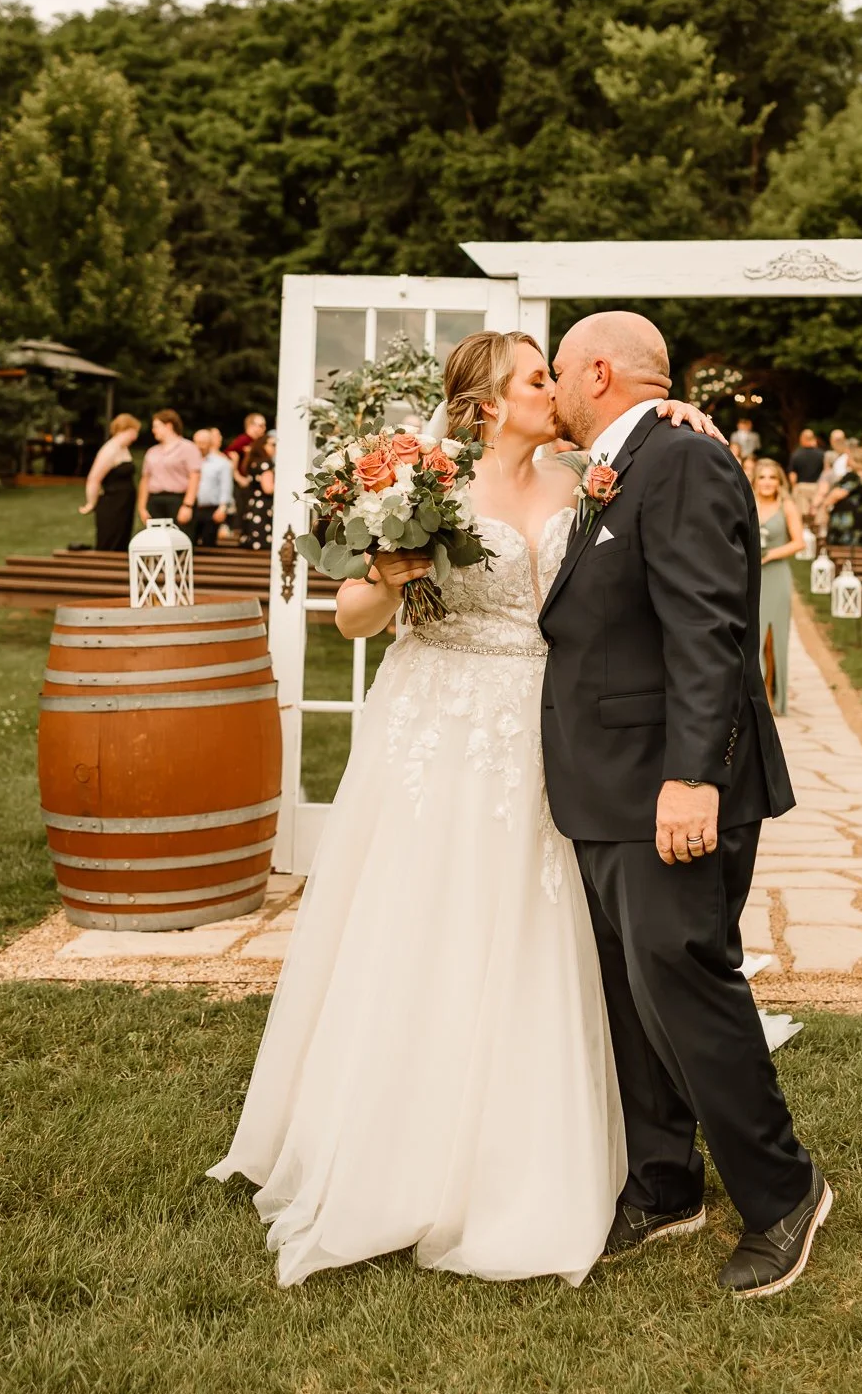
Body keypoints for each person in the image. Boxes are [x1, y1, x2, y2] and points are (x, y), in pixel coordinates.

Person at [209, 334, 724, 1288]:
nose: (556, 391)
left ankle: (563, 1146)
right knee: (428, 922)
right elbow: (351, 616)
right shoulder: (423, 484)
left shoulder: (589, 475)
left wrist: (677, 413)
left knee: (548, 926)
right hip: (441, 719)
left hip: (552, 723)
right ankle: (406, 1146)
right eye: (538, 378)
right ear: (487, 402)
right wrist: (394, 578)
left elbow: (648, 465)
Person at [544, 311, 828, 1299]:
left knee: (686, 980)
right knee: (633, 991)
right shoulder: (624, 460)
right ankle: (664, 1182)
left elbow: (711, 628)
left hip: (667, 782)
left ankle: (783, 1190)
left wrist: (692, 775)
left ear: (598, 370)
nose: (552, 392)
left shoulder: (683, 461)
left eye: (557, 375)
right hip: (605, 784)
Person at [751, 460, 804, 715]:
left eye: (772, 477)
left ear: (779, 481)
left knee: (774, 638)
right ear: (755, 481)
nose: (767, 482)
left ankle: (773, 695)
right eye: (763, 477)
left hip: (777, 574)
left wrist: (770, 554)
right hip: (753, 576)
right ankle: (755, 695)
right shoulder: (748, 502)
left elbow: (799, 542)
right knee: (754, 635)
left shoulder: (787, 506)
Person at [79, 414, 139, 550]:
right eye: (135, 431)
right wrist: (91, 503)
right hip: (113, 504)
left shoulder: (123, 448)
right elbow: (94, 479)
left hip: (124, 504)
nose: (136, 436)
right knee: (111, 539)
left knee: (122, 539)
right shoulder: (110, 449)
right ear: (127, 429)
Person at [137, 410, 202, 535]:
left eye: (156, 426)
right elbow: (145, 479)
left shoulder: (188, 448)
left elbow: (194, 477)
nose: (153, 430)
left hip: (178, 500)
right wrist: (142, 508)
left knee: (180, 540)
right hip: (155, 500)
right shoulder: (152, 451)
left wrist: (187, 505)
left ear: (168, 426)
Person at [825, 444, 862, 549]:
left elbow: (838, 494)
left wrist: (826, 503)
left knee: (842, 552)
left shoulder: (853, 476)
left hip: (846, 521)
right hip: (860, 519)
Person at [193, 427, 235, 547]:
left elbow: (226, 487)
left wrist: (222, 508)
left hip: (211, 508)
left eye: (203, 443)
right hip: (192, 507)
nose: (200, 446)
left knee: (208, 544)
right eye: (197, 443)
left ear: (210, 444)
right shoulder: (189, 461)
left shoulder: (222, 463)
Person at [237, 434, 276, 549]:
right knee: (262, 545)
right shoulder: (265, 464)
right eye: (273, 445)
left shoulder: (252, 462)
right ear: (262, 446)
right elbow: (268, 488)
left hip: (252, 507)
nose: (275, 448)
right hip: (263, 509)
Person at [787, 429, 824, 517]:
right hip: (817, 488)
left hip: (802, 488)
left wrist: (794, 487)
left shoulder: (796, 455)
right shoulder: (822, 454)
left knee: (802, 516)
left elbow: (792, 475)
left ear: (802, 439)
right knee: (816, 515)